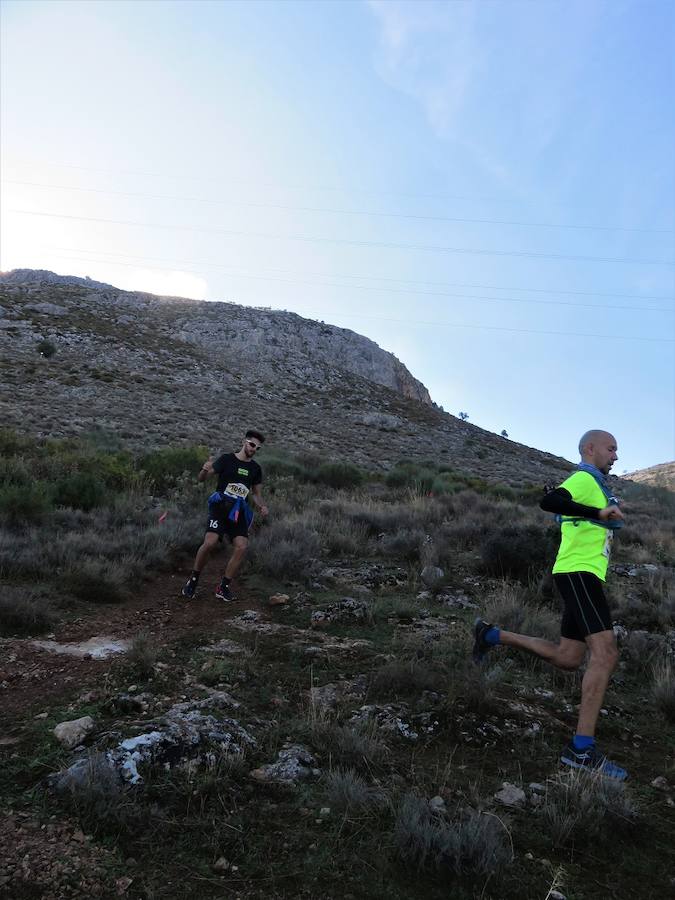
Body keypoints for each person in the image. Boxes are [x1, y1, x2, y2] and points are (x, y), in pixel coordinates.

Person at [473, 430, 628, 780]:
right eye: (611, 448)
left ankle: (491, 635)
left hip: (581, 574)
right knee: (605, 654)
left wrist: (603, 514)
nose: (616, 456)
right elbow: (552, 502)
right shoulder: (585, 477)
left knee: (569, 657)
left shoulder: (597, 484)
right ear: (590, 449)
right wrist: (598, 512)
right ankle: (581, 750)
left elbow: (577, 514)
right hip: (579, 574)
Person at [181, 430, 269, 602]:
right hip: (220, 507)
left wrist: (262, 506)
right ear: (245, 442)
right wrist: (204, 470)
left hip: (238, 511)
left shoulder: (255, 469)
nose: (254, 449)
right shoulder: (227, 459)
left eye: (257, 448)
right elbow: (202, 478)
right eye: (252, 445)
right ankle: (193, 580)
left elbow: (256, 493)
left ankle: (223, 586)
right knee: (210, 542)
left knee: (242, 546)